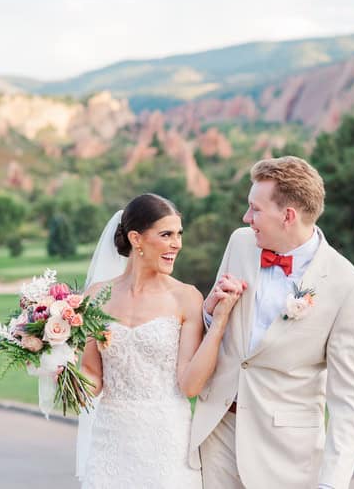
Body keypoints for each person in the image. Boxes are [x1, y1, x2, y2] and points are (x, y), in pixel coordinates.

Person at [188, 156, 354, 489]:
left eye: (255, 209)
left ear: (288, 216)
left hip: (286, 458)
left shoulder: (348, 286)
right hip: (218, 437)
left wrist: (332, 483)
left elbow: (349, 400)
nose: (247, 218)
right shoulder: (240, 244)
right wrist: (211, 308)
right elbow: (218, 329)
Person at [77, 193, 238, 489]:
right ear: (137, 239)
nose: (177, 244)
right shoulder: (96, 297)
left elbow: (190, 385)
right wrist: (60, 368)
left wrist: (219, 324)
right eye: (166, 235)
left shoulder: (186, 297)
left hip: (166, 442)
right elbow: (93, 376)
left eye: (179, 234)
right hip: (110, 441)